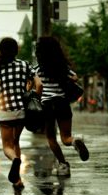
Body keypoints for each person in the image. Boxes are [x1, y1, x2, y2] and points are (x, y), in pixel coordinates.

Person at [0, 37, 42, 190]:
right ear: (16, 50)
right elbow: (39, 85)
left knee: (7, 146)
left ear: (0, 51)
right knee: (15, 143)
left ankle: (14, 160)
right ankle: (17, 180)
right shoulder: (25, 65)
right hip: (20, 110)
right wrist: (33, 97)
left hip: (5, 111)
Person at [34, 36, 89, 176]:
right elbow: (75, 78)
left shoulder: (37, 70)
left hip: (47, 106)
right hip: (62, 103)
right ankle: (75, 141)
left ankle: (63, 164)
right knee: (66, 137)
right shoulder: (64, 68)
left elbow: (36, 86)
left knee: (51, 138)